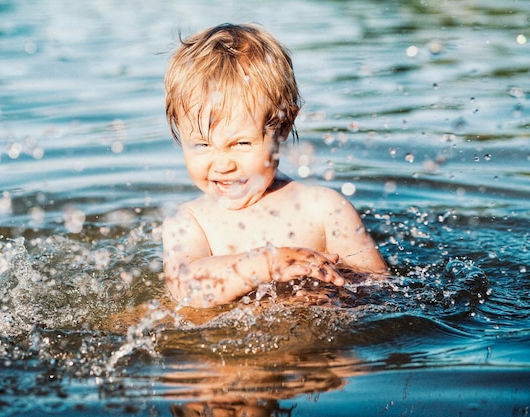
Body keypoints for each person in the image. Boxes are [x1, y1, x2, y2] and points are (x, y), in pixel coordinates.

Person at [162, 23, 388, 308]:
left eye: (241, 144)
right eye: (202, 145)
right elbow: (187, 287)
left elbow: (379, 286)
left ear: (283, 126)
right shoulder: (191, 221)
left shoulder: (323, 208)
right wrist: (266, 264)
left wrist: (332, 290)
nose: (221, 164)